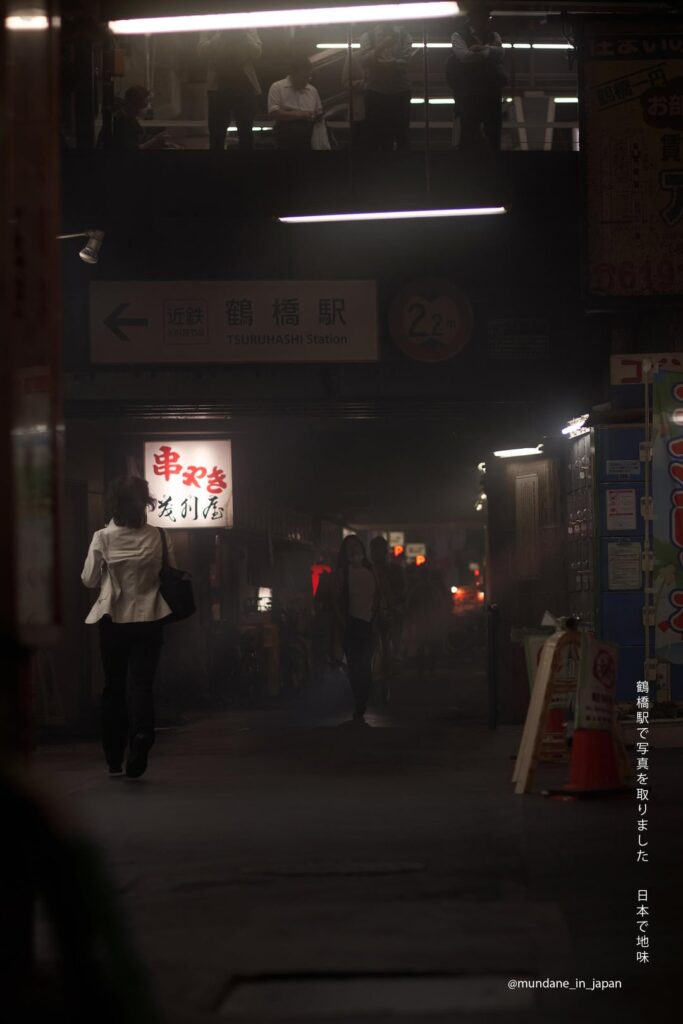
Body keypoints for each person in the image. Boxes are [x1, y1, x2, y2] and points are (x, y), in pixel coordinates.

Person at [81, 476, 175, 779]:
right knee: (142, 684)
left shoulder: (102, 537)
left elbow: (89, 580)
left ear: (114, 503)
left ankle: (114, 756)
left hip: (113, 621)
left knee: (114, 686)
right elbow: (170, 572)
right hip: (150, 619)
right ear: (145, 502)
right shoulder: (159, 536)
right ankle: (142, 734)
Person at [331, 534, 382, 722]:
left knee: (365, 664)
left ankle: (362, 699)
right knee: (354, 666)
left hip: (368, 623)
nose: (353, 551)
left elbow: (378, 595)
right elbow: (335, 598)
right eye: (349, 548)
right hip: (351, 623)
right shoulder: (343, 573)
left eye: (356, 547)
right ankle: (359, 700)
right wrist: (342, 620)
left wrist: (375, 616)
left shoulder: (371, 570)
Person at [447, 3, 506, 153]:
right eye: (484, 17)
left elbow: (500, 53)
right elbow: (465, 57)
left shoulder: (492, 35)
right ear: (473, 18)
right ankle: (471, 161)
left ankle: (486, 161)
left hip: (488, 92)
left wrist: (481, 50)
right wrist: (489, 52)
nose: (486, 20)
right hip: (470, 92)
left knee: (492, 131)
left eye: (487, 17)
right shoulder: (458, 35)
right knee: (469, 129)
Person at [198, 30, 262, 151]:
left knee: (246, 130)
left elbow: (257, 52)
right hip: (218, 84)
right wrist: (220, 35)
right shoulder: (209, 26)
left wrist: (243, 35)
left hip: (243, 83)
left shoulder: (247, 27)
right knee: (217, 132)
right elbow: (201, 51)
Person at [359, 23, 413, 152]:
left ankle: (397, 160)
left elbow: (405, 62)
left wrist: (378, 64)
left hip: (391, 91)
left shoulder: (404, 36)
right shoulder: (368, 36)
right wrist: (383, 47)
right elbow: (364, 61)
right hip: (383, 91)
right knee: (377, 134)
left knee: (401, 134)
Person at [369, 536, 407, 702]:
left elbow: (402, 592)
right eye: (374, 550)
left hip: (389, 612)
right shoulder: (367, 570)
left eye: (379, 550)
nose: (377, 554)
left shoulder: (394, 570)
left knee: (393, 639)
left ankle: (395, 657)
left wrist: (394, 603)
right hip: (370, 613)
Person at [268, 57, 328, 151]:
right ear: (292, 74)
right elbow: (274, 113)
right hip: (286, 134)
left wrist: (318, 116)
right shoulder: (277, 87)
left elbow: (318, 111)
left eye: (309, 77)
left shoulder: (312, 90)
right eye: (303, 78)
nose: (306, 81)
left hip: (310, 135)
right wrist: (299, 114)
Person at [110, 85, 173, 150]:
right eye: (145, 104)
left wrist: (160, 140)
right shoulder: (121, 121)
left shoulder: (131, 118)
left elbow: (140, 138)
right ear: (134, 105)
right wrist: (155, 140)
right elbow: (133, 150)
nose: (148, 107)